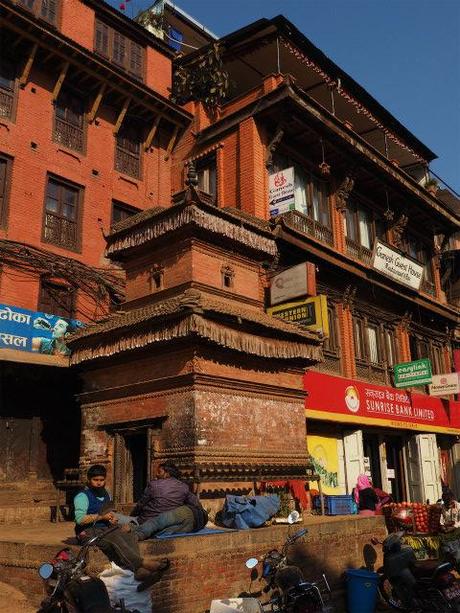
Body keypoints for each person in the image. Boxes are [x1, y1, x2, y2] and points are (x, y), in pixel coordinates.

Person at [74, 464, 169, 589]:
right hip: (87, 532)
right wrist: (101, 517)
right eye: (95, 480)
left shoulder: (106, 493)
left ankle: (138, 571)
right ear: (89, 480)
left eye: (101, 480)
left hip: (104, 528)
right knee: (114, 537)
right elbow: (80, 519)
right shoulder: (82, 496)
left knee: (127, 532)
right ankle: (142, 564)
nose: (99, 483)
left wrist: (111, 518)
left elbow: (108, 512)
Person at [129, 462, 207, 541]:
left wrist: (133, 515)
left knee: (120, 519)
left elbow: (141, 504)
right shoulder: (184, 487)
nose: (156, 474)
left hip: (146, 521)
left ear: (167, 473)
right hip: (167, 524)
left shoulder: (153, 485)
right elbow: (196, 503)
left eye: (159, 472)